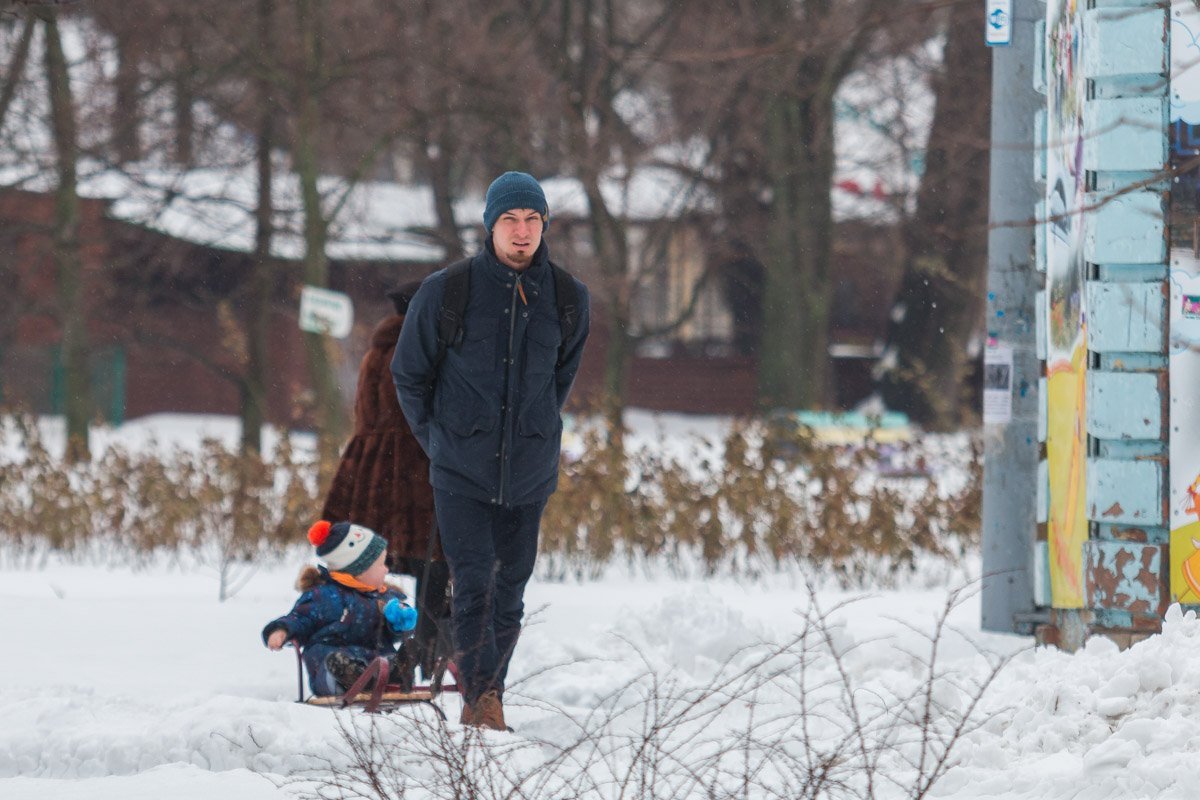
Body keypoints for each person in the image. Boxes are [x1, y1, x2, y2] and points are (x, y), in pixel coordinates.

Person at [392, 171, 590, 730]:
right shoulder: (447, 291)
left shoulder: (569, 298)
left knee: (510, 590)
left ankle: (487, 691)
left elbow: (559, 380)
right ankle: (483, 699)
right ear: (490, 225)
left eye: (532, 219)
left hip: (529, 473)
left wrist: (531, 432)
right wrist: (438, 442)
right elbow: (409, 374)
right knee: (474, 583)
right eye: (510, 219)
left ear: (544, 225)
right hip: (461, 470)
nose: (522, 231)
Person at [320, 283, 450, 680]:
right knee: (432, 563)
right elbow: (417, 414)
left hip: (373, 471)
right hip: (415, 470)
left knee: (370, 565)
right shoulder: (419, 350)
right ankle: (421, 654)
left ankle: (362, 654)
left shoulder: (375, 351)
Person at [262, 520, 416, 696]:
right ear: (359, 570)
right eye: (381, 565)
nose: (386, 570)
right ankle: (353, 679)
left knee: (388, 659)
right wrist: (282, 630)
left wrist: (398, 622)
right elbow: (300, 618)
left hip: (374, 659)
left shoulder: (383, 599)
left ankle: (395, 673)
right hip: (332, 661)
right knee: (334, 661)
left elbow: (392, 634)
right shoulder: (323, 596)